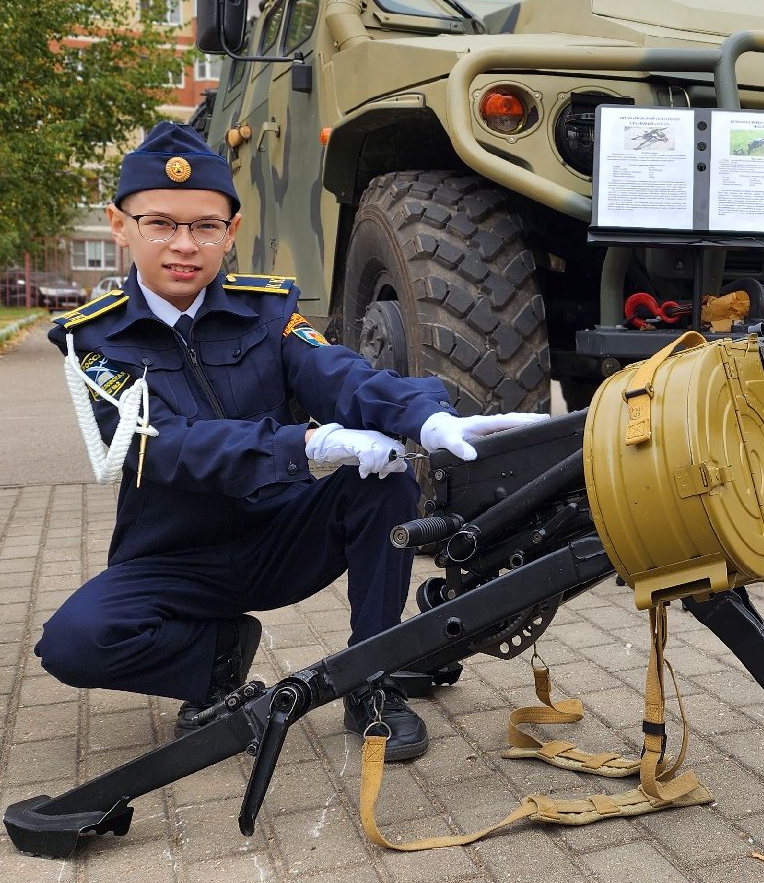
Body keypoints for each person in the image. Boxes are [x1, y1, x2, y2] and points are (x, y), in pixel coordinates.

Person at [36, 122, 542, 761]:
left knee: (380, 481)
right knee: (72, 642)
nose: (183, 245)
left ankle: (373, 677)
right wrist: (307, 445)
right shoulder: (95, 341)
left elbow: (339, 372)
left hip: (283, 536)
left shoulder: (266, 312)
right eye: (160, 223)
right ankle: (216, 664)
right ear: (120, 224)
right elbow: (159, 444)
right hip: (175, 556)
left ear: (232, 231)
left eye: (205, 227)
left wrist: (425, 418)